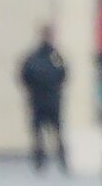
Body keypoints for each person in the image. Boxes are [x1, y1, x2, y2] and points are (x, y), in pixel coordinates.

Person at [19, 25, 68, 172]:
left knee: (57, 133)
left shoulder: (56, 57)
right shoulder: (34, 57)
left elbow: (64, 74)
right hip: (38, 100)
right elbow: (25, 75)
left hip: (52, 100)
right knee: (38, 134)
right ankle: (40, 162)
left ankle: (62, 161)